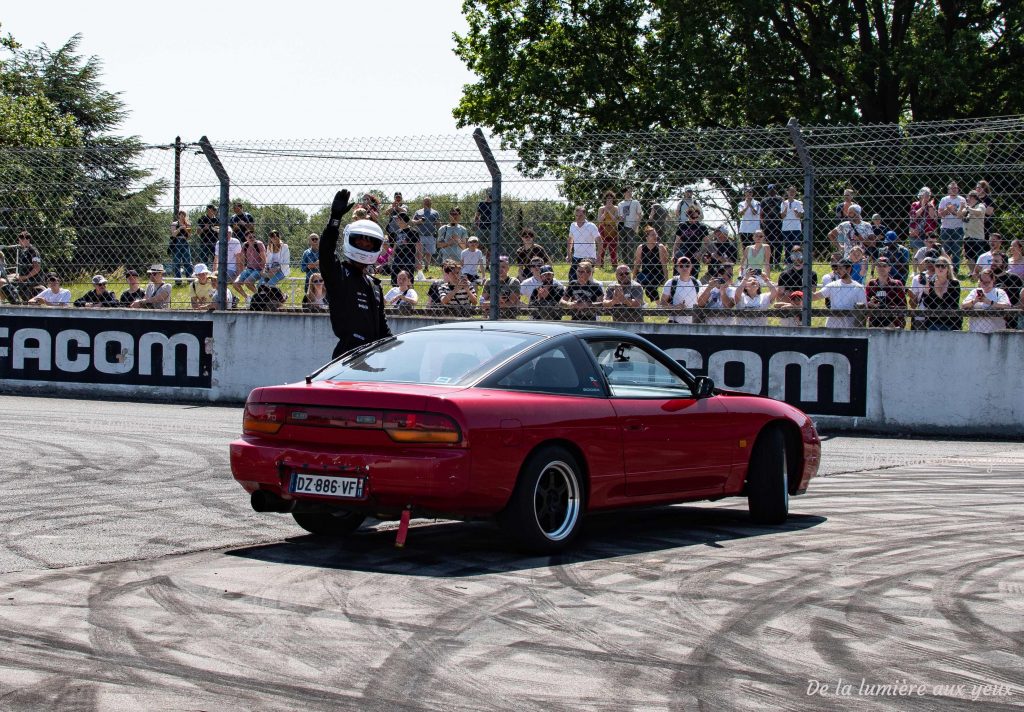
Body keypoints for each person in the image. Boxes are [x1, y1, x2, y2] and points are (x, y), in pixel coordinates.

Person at [319, 189, 391, 359]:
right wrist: (334, 220)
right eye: (360, 241)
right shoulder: (339, 275)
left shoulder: (374, 285)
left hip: (374, 357)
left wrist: (397, 351)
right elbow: (326, 253)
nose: (364, 246)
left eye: (368, 244)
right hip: (348, 356)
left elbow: (383, 329)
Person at [812, 258, 864, 328]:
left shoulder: (858, 288)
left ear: (848, 269)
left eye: (840, 268)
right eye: (837, 268)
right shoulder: (833, 285)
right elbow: (814, 297)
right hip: (832, 328)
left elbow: (863, 310)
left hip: (849, 329)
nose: (837, 271)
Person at [962, 268, 1010, 333]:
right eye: (982, 282)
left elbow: (1007, 305)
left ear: (993, 280)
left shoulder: (999, 292)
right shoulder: (975, 292)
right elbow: (963, 305)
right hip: (976, 331)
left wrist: (989, 302)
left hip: (996, 331)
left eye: (988, 282)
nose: (985, 285)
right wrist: (975, 301)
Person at [1, 231, 43, 303]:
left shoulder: (33, 251)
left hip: (32, 279)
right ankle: (14, 302)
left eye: (21, 240)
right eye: (19, 240)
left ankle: (16, 303)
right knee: (4, 286)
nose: (19, 242)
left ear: (28, 240)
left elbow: (37, 268)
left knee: (7, 287)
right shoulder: (24, 250)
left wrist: (25, 277)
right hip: (23, 278)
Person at [920, 256, 961, 331]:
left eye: (943, 266)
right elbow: (927, 304)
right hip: (933, 321)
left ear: (948, 268)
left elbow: (953, 304)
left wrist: (938, 292)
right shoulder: (931, 283)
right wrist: (926, 292)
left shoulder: (954, 283)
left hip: (950, 322)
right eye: (937, 266)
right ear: (935, 268)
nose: (940, 268)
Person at [864, 257, 906, 328]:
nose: (881, 268)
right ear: (876, 268)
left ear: (889, 268)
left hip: (893, 322)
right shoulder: (871, 284)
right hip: (875, 322)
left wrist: (883, 307)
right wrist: (870, 304)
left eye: (884, 266)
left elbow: (903, 306)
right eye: (879, 266)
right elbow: (865, 303)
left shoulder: (896, 284)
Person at [633, 225, 669, 303]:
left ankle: (659, 305)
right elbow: (637, 264)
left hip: (658, 274)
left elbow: (664, 265)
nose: (655, 236)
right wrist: (633, 278)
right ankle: (637, 303)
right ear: (647, 237)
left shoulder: (660, 247)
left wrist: (666, 280)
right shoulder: (641, 247)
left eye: (656, 234)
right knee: (636, 286)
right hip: (645, 273)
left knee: (649, 288)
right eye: (652, 235)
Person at [660, 257, 701, 324]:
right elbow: (662, 303)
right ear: (677, 268)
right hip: (675, 322)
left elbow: (701, 303)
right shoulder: (671, 283)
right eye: (681, 266)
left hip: (694, 322)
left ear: (691, 267)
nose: (684, 268)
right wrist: (675, 307)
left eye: (687, 265)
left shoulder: (697, 283)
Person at [671, 205, 708, 279]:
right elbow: (677, 242)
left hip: (695, 253)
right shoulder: (682, 225)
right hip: (683, 252)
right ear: (688, 216)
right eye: (693, 217)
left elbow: (707, 243)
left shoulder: (702, 227)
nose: (695, 220)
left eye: (697, 217)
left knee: (692, 278)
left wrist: (700, 253)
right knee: (677, 277)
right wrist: (673, 254)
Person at [937, 181, 966, 274]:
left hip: (958, 228)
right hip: (945, 228)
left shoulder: (962, 200)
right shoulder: (944, 200)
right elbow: (940, 214)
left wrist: (957, 211)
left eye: (956, 188)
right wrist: (948, 209)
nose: (955, 190)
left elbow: (963, 215)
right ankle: (946, 269)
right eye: (952, 188)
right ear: (949, 190)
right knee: (946, 250)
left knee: (956, 250)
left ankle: (955, 271)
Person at [232, 226, 266, 303]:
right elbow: (242, 259)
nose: (252, 238)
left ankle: (261, 297)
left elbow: (264, 258)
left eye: (254, 236)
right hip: (249, 268)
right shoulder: (245, 245)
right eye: (250, 237)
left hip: (258, 269)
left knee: (247, 282)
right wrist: (241, 271)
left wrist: (263, 269)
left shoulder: (259, 244)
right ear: (246, 237)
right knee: (235, 284)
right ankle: (247, 297)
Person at [567, 205, 600, 283]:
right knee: (572, 278)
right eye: (576, 215)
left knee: (585, 278)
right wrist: (569, 254)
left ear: (585, 215)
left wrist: (598, 258)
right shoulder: (573, 225)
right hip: (576, 256)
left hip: (589, 257)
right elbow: (570, 240)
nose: (578, 217)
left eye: (580, 215)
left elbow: (600, 242)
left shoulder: (591, 226)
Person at [991, 252, 1023, 329]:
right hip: (991, 318)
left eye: (996, 261)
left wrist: (1012, 310)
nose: (992, 263)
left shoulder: (1014, 279)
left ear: (1004, 264)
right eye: (991, 261)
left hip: (1011, 318)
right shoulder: (987, 279)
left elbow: (1021, 299)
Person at [961, 190, 988, 274]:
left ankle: (979, 273)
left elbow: (978, 212)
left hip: (977, 237)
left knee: (978, 257)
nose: (966, 199)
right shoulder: (967, 207)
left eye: (968, 197)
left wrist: (968, 208)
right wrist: (961, 208)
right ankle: (972, 273)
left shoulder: (981, 205)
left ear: (972, 197)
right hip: (967, 236)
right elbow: (959, 215)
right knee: (969, 257)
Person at [412, 197, 441, 273]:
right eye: (425, 201)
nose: (427, 202)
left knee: (429, 252)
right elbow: (412, 221)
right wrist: (419, 221)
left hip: (430, 235)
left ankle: (427, 267)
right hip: (419, 235)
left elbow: (438, 224)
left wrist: (438, 226)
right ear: (423, 202)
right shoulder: (418, 212)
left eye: (428, 201)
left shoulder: (435, 212)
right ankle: (418, 267)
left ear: (431, 202)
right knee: (419, 252)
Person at [391, 211, 421, 285]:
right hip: (397, 259)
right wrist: (391, 257)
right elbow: (395, 246)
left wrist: (419, 261)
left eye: (397, 219)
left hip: (408, 259)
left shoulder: (413, 232)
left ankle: (408, 294)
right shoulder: (397, 232)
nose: (396, 221)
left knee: (408, 280)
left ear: (402, 220)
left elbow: (419, 247)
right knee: (395, 280)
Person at [908, 187, 938, 251]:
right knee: (917, 252)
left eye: (928, 194)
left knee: (929, 251)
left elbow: (932, 216)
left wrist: (930, 206)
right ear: (921, 195)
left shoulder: (931, 205)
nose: (927, 196)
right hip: (916, 232)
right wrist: (922, 207)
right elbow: (914, 216)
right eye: (925, 194)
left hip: (928, 233)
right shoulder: (915, 204)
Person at [779, 185, 804, 261]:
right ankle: (788, 262)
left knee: (796, 245)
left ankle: (797, 261)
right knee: (787, 246)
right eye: (790, 191)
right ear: (787, 192)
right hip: (786, 228)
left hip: (796, 227)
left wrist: (796, 211)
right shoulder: (783, 203)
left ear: (795, 193)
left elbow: (800, 216)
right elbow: (782, 216)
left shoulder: (799, 203)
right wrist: (786, 207)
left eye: (794, 191)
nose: (792, 193)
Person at [596, 191, 619, 268]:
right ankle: (600, 264)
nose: (609, 201)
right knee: (602, 247)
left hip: (613, 229)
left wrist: (609, 211)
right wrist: (605, 212)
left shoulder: (616, 208)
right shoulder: (601, 208)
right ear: (605, 200)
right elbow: (599, 220)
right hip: (603, 228)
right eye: (608, 199)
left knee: (613, 248)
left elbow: (615, 219)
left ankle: (614, 265)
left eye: (611, 199)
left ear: (613, 200)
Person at [617, 187, 642, 256]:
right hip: (622, 227)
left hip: (631, 227)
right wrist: (620, 218)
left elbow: (640, 215)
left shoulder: (636, 202)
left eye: (631, 191)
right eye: (628, 191)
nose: (630, 193)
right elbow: (618, 217)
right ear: (624, 193)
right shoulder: (620, 204)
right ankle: (624, 264)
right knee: (623, 247)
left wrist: (636, 226)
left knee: (631, 247)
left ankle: (631, 264)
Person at [761, 184, 782, 266]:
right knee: (769, 245)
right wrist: (763, 224)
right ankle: (769, 263)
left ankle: (777, 263)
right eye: (770, 189)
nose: (772, 191)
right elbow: (761, 213)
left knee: (779, 244)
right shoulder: (764, 201)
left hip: (778, 224)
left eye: (774, 189)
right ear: (768, 190)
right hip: (768, 225)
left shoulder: (780, 199)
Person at [169, 210, 193, 283]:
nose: (182, 217)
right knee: (176, 262)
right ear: (178, 215)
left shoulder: (188, 224)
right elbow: (173, 234)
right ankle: (178, 281)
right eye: (181, 215)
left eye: (184, 215)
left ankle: (189, 279)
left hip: (185, 242)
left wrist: (185, 229)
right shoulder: (174, 224)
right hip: (176, 243)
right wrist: (179, 229)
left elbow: (189, 236)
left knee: (187, 261)